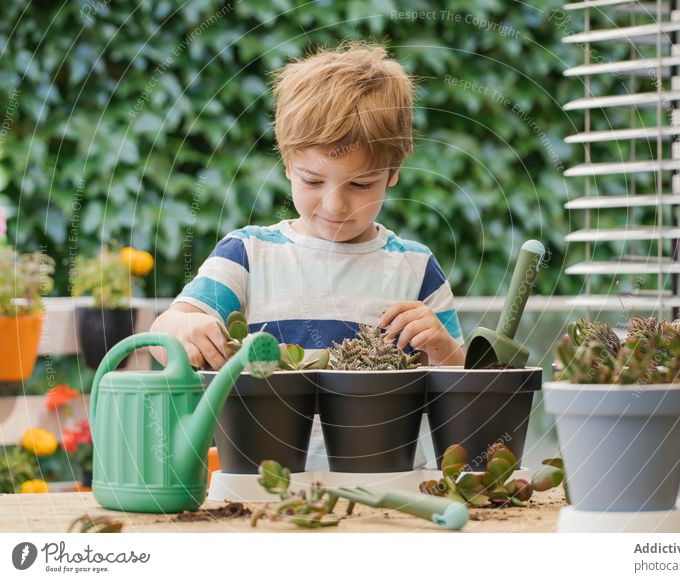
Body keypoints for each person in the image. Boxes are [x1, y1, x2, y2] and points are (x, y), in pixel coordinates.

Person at [150, 41, 465, 469]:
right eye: (313, 181)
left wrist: (443, 348)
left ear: (392, 175)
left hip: (388, 480)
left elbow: (464, 390)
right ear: (286, 164)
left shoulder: (415, 267)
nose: (335, 206)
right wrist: (185, 327)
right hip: (261, 483)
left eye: (360, 185)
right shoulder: (247, 253)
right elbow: (164, 338)